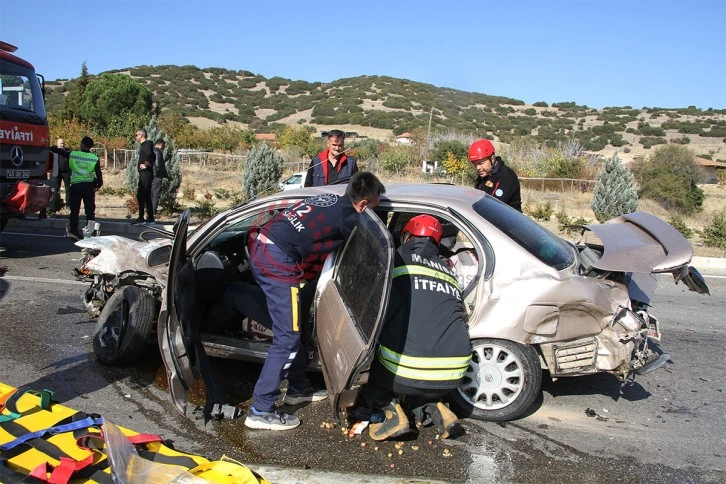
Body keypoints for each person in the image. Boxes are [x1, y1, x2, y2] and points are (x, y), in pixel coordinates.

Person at [244, 171, 386, 431]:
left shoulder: (331, 198)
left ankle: (298, 388)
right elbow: (367, 258)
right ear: (363, 203)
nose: (370, 214)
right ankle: (261, 409)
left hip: (264, 246)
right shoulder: (350, 219)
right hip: (277, 261)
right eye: (374, 208)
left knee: (293, 328)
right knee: (287, 337)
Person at [361, 215, 472, 441]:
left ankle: (388, 412)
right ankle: (435, 407)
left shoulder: (396, 258)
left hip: (406, 372)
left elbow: (369, 299)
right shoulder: (449, 271)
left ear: (407, 236)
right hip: (452, 375)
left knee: (370, 371)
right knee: (417, 379)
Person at [50, 136, 103, 240]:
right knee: (90, 211)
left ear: (82, 144)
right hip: (88, 187)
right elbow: (99, 175)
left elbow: (59, 151)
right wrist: (97, 185)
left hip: (76, 186)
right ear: (90, 147)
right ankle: (90, 232)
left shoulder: (73, 154)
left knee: (74, 210)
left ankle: (74, 231)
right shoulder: (94, 158)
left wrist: (50, 147)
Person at [468, 139, 522, 212]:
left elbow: (494, 207)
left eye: (481, 163)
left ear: (492, 159)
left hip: (508, 220)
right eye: (475, 163)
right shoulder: (485, 175)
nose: (478, 167)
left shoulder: (505, 176)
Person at [132, 129, 155, 224]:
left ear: (141, 136)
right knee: (146, 196)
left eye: (136, 135)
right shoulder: (146, 145)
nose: (136, 137)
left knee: (141, 195)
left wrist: (147, 165)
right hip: (146, 173)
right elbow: (153, 155)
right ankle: (150, 218)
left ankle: (141, 218)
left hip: (146, 173)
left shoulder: (147, 144)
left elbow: (151, 155)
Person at [51, 138, 70, 211]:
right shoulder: (54, 151)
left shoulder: (67, 151)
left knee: (68, 189)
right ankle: (55, 204)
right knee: (55, 189)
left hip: (66, 173)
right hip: (56, 172)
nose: (62, 145)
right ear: (57, 144)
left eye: (63, 143)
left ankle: (68, 204)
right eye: (60, 143)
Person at [151, 138, 167, 217]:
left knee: (151, 195)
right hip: (156, 177)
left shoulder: (150, 151)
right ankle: (153, 213)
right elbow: (158, 166)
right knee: (155, 195)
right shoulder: (158, 152)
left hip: (149, 176)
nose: (164, 148)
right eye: (164, 146)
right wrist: (160, 176)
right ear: (160, 144)